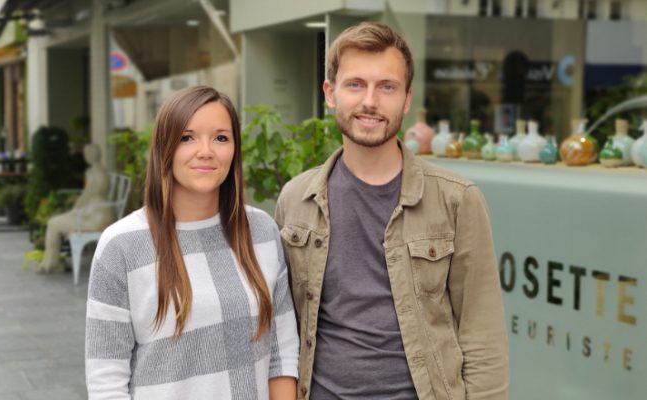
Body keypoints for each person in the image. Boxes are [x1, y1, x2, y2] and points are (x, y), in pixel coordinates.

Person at [275, 22, 508, 399]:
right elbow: (283, 332)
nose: (370, 101)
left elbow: (483, 339)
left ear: (406, 98)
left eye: (387, 86)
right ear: (330, 94)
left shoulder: (457, 199)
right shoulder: (295, 199)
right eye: (356, 85)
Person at [85, 86, 298, 399]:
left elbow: (282, 355)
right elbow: (107, 380)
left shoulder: (262, 232)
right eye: (187, 137)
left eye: (221, 137)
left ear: (235, 150)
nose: (206, 151)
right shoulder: (121, 245)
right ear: (165, 147)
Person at [36, 143, 115, 273]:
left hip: (97, 218)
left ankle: (52, 263)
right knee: (54, 222)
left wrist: (77, 206)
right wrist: (77, 206)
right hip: (93, 213)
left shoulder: (98, 173)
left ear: (94, 155)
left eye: (88, 154)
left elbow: (90, 195)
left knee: (53, 223)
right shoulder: (94, 171)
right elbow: (87, 196)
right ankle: (49, 261)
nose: (86, 156)